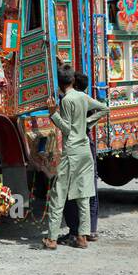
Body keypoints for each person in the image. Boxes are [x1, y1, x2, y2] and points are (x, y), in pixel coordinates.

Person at [43, 68, 108, 250]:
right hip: (85, 151)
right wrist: (87, 123)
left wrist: (53, 113)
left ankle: (52, 239)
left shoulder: (66, 101)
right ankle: (82, 238)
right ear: (72, 80)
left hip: (71, 152)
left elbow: (66, 128)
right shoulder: (82, 97)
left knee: (58, 195)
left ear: (60, 84)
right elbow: (104, 108)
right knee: (83, 195)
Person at [60, 72, 105, 244]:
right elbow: (103, 108)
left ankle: (75, 232)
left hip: (76, 146)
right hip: (87, 144)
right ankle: (90, 230)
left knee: (72, 190)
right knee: (89, 188)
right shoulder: (85, 99)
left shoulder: (73, 100)